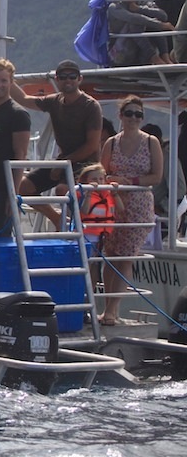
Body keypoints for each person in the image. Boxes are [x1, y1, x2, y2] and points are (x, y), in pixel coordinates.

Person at [11, 59, 103, 229]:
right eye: (63, 76)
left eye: (72, 76)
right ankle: (56, 218)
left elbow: (92, 145)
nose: (68, 80)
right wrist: (8, 77)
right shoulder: (54, 101)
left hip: (85, 165)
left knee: (62, 190)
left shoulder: (91, 106)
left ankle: (76, 233)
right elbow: (23, 99)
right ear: (57, 79)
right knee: (22, 187)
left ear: (79, 79)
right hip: (63, 161)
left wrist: (61, 166)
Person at [99, 96, 160, 326]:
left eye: (138, 114)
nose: (134, 118)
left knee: (126, 256)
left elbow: (156, 176)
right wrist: (112, 180)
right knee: (111, 255)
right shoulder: (111, 143)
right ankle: (106, 306)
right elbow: (101, 172)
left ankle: (113, 309)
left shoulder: (151, 141)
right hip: (113, 205)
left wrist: (130, 180)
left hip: (138, 206)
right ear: (121, 116)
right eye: (130, 113)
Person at [0, 59, 32, 236]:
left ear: (11, 82)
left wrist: (13, 194)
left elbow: (21, 155)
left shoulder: (18, 114)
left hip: (3, 189)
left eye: (4, 80)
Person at [108, 0, 174, 65]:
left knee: (152, 21)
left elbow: (163, 15)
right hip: (120, 55)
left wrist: (139, 9)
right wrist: (160, 25)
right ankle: (154, 58)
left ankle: (165, 57)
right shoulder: (114, 6)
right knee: (136, 23)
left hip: (141, 54)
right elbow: (133, 18)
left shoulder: (142, 3)